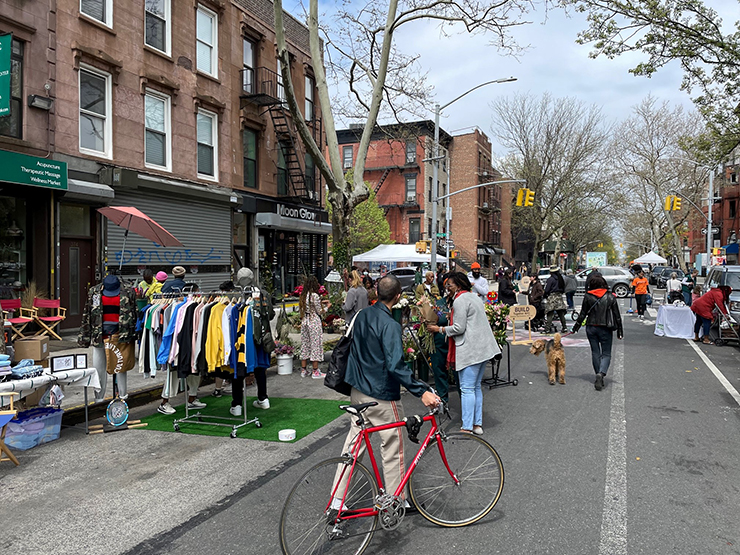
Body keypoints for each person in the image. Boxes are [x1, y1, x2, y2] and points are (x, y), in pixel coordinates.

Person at [333, 275, 441, 508]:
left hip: (357, 388)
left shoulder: (362, 315)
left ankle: (337, 500)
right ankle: (395, 500)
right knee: (392, 446)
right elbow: (395, 366)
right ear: (398, 297)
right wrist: (420, 391)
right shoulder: (390, 325)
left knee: (352, 447)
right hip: (380, 393)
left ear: (376, 293)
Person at [426, 272, 500, 434]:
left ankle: (467, 426)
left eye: (449, 285)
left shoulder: (460, 300)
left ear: (458, 285)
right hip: (484, 349)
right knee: (475, 388)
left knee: (467, 389)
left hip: (471, 350)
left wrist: (439, 329)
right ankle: (476, 424)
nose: (447, 289)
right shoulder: (474, 297)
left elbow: (459, 328)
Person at [572, 275, 623, 391]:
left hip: (591, 327)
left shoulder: (588, 296)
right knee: (606, 353)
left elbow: (583, 314)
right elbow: (617, 316)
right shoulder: (610, 297)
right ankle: (601, 373)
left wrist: (576, 327)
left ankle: (597, 374)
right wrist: (620, 331)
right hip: (605, 327)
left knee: (595, 352)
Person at [300, 275, 330, 379]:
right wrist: (327, 307)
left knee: (305, 344)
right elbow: (320, 311)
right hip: (314, 322)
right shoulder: (314, 296)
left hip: (305, 321)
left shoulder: (304, 295)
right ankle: (315, 371)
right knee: (315, 345)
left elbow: (309, 305)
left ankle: (304, 370)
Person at [544, 265, 568, 334]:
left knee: (550, 313)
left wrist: (545, 295)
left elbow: (547, 289)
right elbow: (563, 288)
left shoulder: (550, 279)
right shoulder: (560, 278)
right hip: (559, 297)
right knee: (561, 314)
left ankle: (547, 329)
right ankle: (564, 327)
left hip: (552, 297)